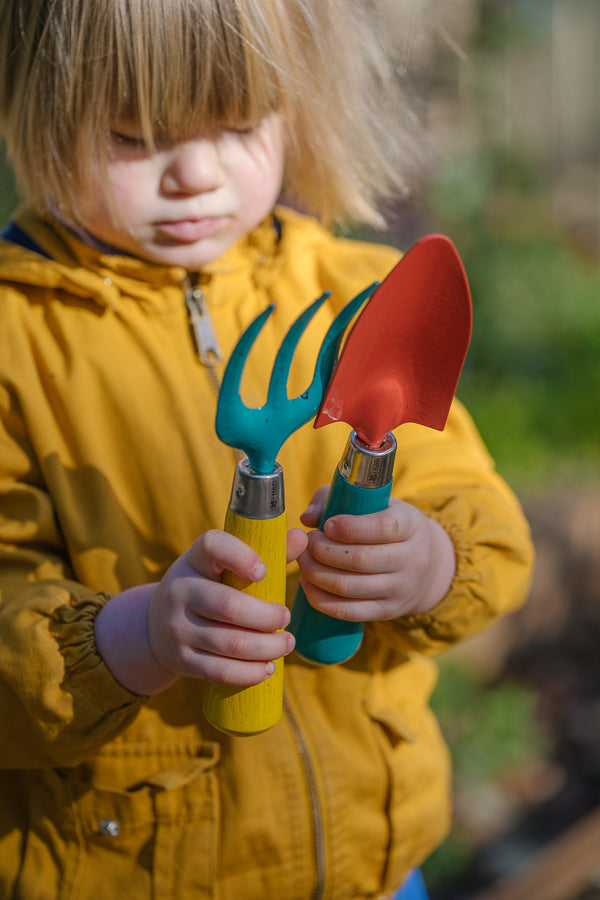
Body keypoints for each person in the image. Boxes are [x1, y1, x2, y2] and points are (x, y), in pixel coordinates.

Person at [0, 1, 534, 898]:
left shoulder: (356, 294)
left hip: (373, 865)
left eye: (241, 125)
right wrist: (129, 638)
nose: (196, 176)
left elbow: (484, 523)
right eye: (133, 136)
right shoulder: (18, 342)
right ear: (35, 107)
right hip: (132, 866)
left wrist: (432, 560)